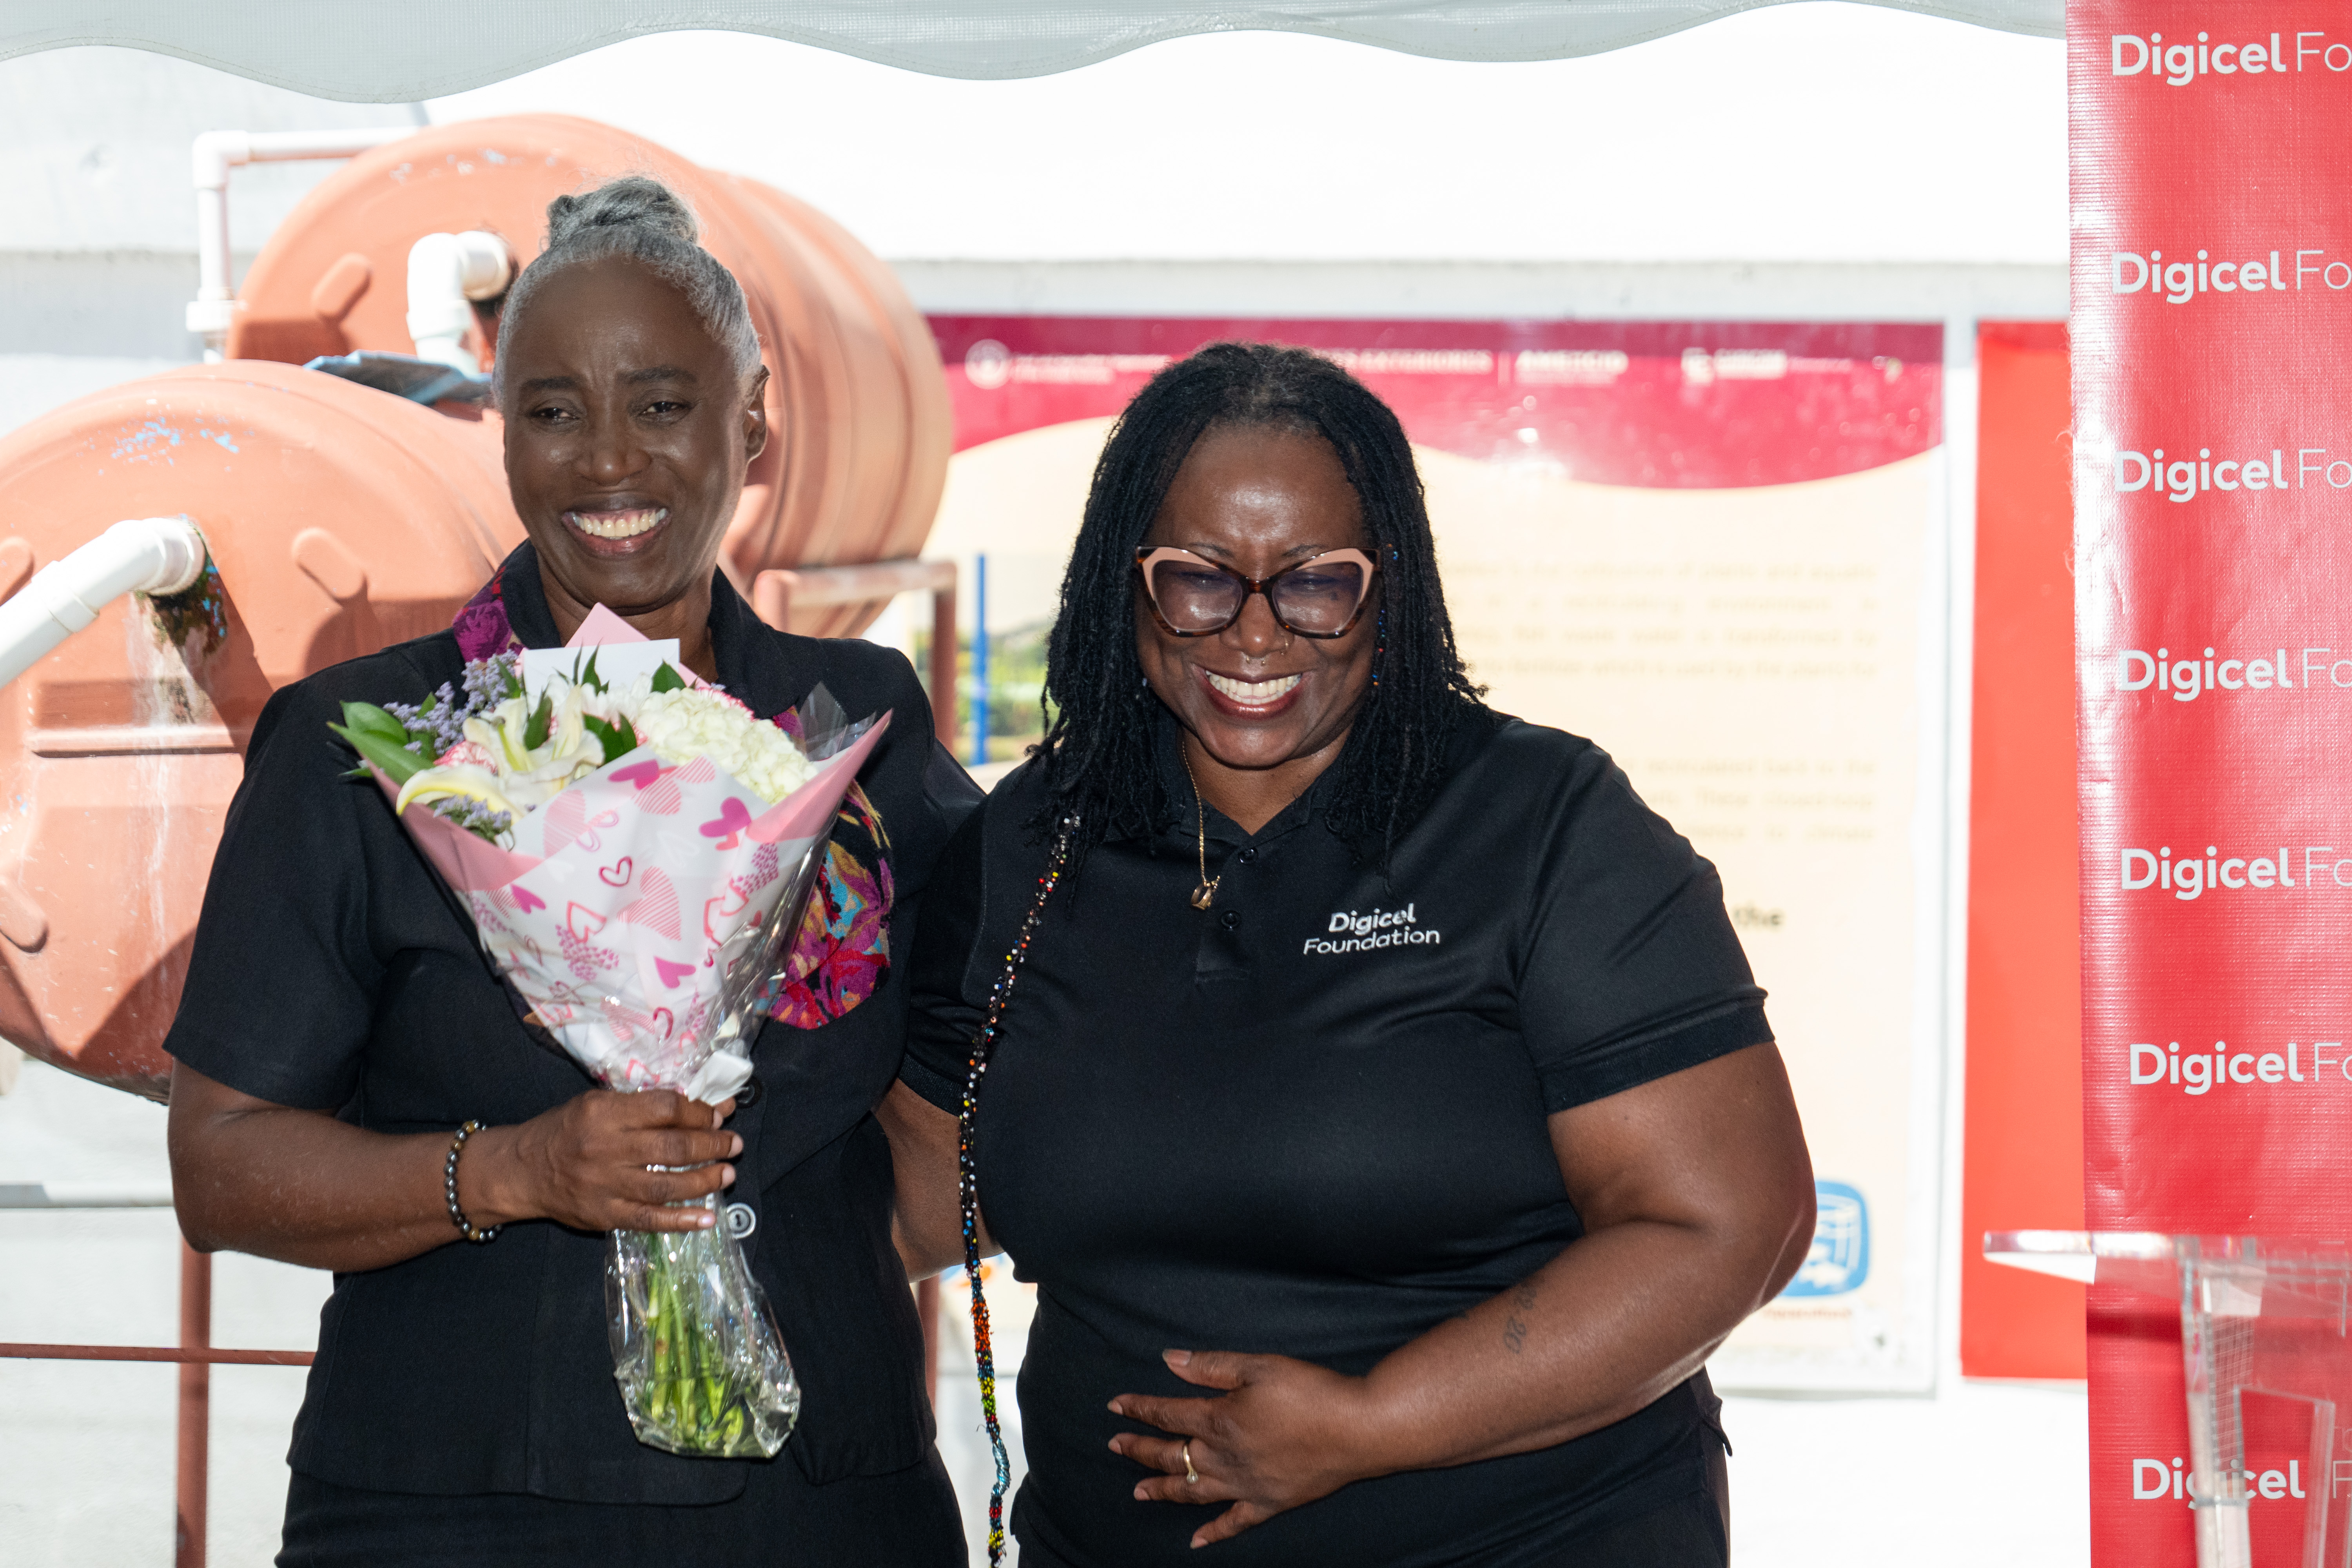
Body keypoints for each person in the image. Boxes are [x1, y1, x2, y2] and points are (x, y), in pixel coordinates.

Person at [882, 342, 1816, 1567]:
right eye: (1198, 579)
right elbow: (915, 1200)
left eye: (1316, 583)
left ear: (1391, 588)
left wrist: (1370, 1425)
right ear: (1127, 582)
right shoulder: (1028, 847)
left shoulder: (1540, 825)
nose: (1254, 633)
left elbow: (1730, 1226)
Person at [165, 177, 975, 1566]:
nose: (608, 460)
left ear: (751, 421)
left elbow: (960, 1101)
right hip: (453, 1509)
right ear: (501, 430)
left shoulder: (861, 729)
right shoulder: (365, 746)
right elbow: (221, 1169)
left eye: (663, 404)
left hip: (822, 1503)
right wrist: (515, 1171)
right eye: (552, 411)